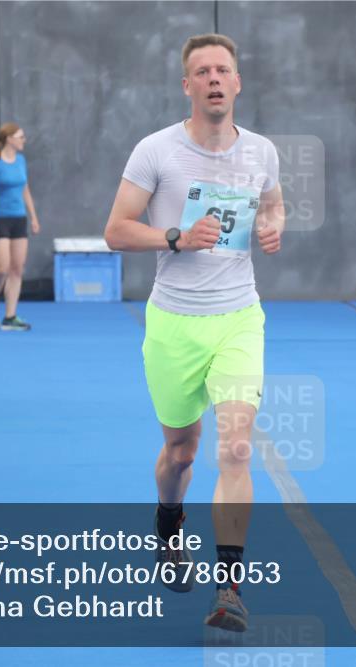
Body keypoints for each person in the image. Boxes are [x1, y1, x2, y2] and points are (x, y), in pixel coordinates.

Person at [104, 34, 284, 633]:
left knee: (234, 447)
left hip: (238, 316)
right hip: (174, 321)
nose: (213, 79)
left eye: (222, 70)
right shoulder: (155, 151)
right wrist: (175, 238)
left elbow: (275, 201)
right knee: (180, 451)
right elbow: (116, 231)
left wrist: (273, 226)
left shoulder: (262, 151)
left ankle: (229, 588)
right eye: (201, 71)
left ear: (237, 83)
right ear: (187, 85)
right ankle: (167, 520)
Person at [0, 122, 40, 331]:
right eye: (20, 137)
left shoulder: (21, 161)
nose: (23, 140)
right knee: (2, 268)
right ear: (9, 139)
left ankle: (10, 315)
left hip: (18, 218)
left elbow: (25, 189)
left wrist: (33, 216)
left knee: (16, 269)